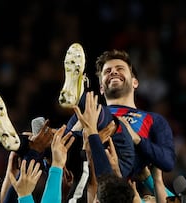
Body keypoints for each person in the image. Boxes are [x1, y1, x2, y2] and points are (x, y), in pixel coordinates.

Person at [59, 43, 176, 179]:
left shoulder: (153, 119)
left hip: (124, 166)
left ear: (135, 83)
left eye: (120, 69)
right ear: (101, 88)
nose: (113, 72)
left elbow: (168, 162)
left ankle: (80, 97)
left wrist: (137, 139)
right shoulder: (92, 111)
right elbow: (63, 149)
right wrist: (80, 132)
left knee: (92, 111)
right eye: (107, 71)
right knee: (77, 120)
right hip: (89, 168)